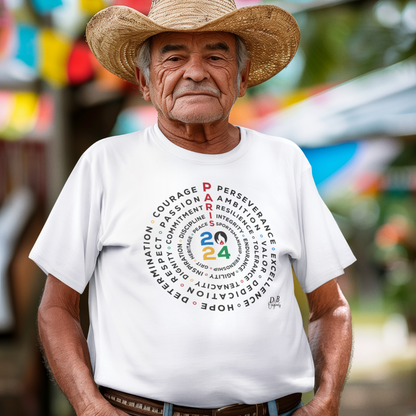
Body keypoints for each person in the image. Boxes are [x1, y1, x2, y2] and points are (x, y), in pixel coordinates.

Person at [30, 1, 356, 416]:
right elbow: (56, 309)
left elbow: (331, 307)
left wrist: (327, 400)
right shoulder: (105, 164)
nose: (196, 72)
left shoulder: (284, 161)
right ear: (145, 82)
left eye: (216, 56)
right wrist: (90, 407)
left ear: (241, 78)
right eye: (174, 57)